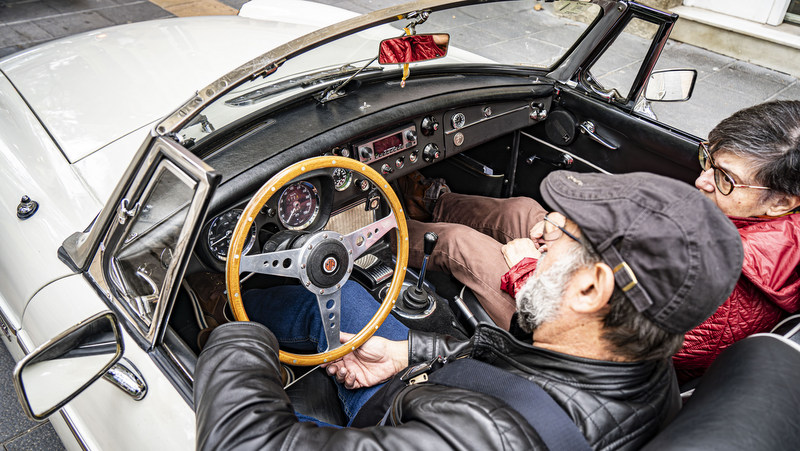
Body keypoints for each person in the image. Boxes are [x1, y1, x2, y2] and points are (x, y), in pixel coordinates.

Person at [194, 171, 743, 450]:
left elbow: (240, 441)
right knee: (361, 309)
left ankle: (219, 303)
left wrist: (240, 331)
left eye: (556, 235)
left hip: (394, 422)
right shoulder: (645, 368)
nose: (537, 232)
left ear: (589, 290)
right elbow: (522, 374)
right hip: (428, 388)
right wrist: (411, 351)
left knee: (320, 302)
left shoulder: (488, 439)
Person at [404, 100, 800, 382]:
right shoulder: (755, 227)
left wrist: (526, 269)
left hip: (579, 340)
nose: (702, 180)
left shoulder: (727, 280)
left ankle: (384, 233)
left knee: (458, 243)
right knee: (523, 211)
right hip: (602, 289)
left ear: (782, 202)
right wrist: (574, 230)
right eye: (707, 160)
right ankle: (433, 202)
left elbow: (602, 335)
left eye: (725, 179)